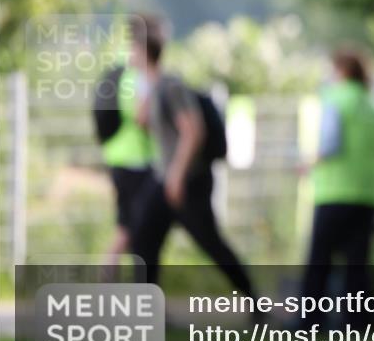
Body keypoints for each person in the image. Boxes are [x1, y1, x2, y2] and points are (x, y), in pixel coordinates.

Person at [128, 15, 254, 300]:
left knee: (211, 244)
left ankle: (254, 299)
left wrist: (176, 176)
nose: (128, 55)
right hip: (165, 179)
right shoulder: (154, 86)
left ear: (144, 51)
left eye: (132, 48)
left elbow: (193, 131)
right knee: (144, 238)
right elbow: (142, 121)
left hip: (187, 180)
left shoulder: (172, 86)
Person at [298, 47, 374, 330]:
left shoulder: (335, 98)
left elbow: (329, 143)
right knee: (357, 264)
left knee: (319, 261)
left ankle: (311, 320)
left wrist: (308, 164)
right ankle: (357, 322)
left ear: (341, 71)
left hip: (334, 192)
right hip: (368, 194)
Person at [93, 44, 155, 274]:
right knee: (136, 226)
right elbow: (141, 117)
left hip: (115, 156)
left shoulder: (115, 75)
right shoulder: (136, 77)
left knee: (126, 225)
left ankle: (110, 277)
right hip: (136, 160)